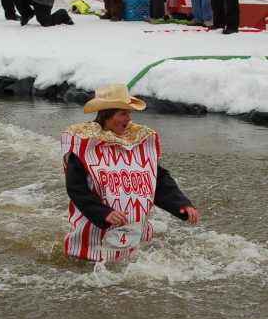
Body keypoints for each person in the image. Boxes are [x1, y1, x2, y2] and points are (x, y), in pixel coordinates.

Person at [60, 84, 199, 262]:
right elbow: (76, 189)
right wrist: (103, 213)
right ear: (106, 115)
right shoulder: (83, 146)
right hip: (94, 235)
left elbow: (157, 178)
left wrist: (181, 205)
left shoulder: (135, 142)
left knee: (133, 265)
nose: (129, 118)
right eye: (123, 113)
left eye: (130, 112)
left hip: (134, 232)